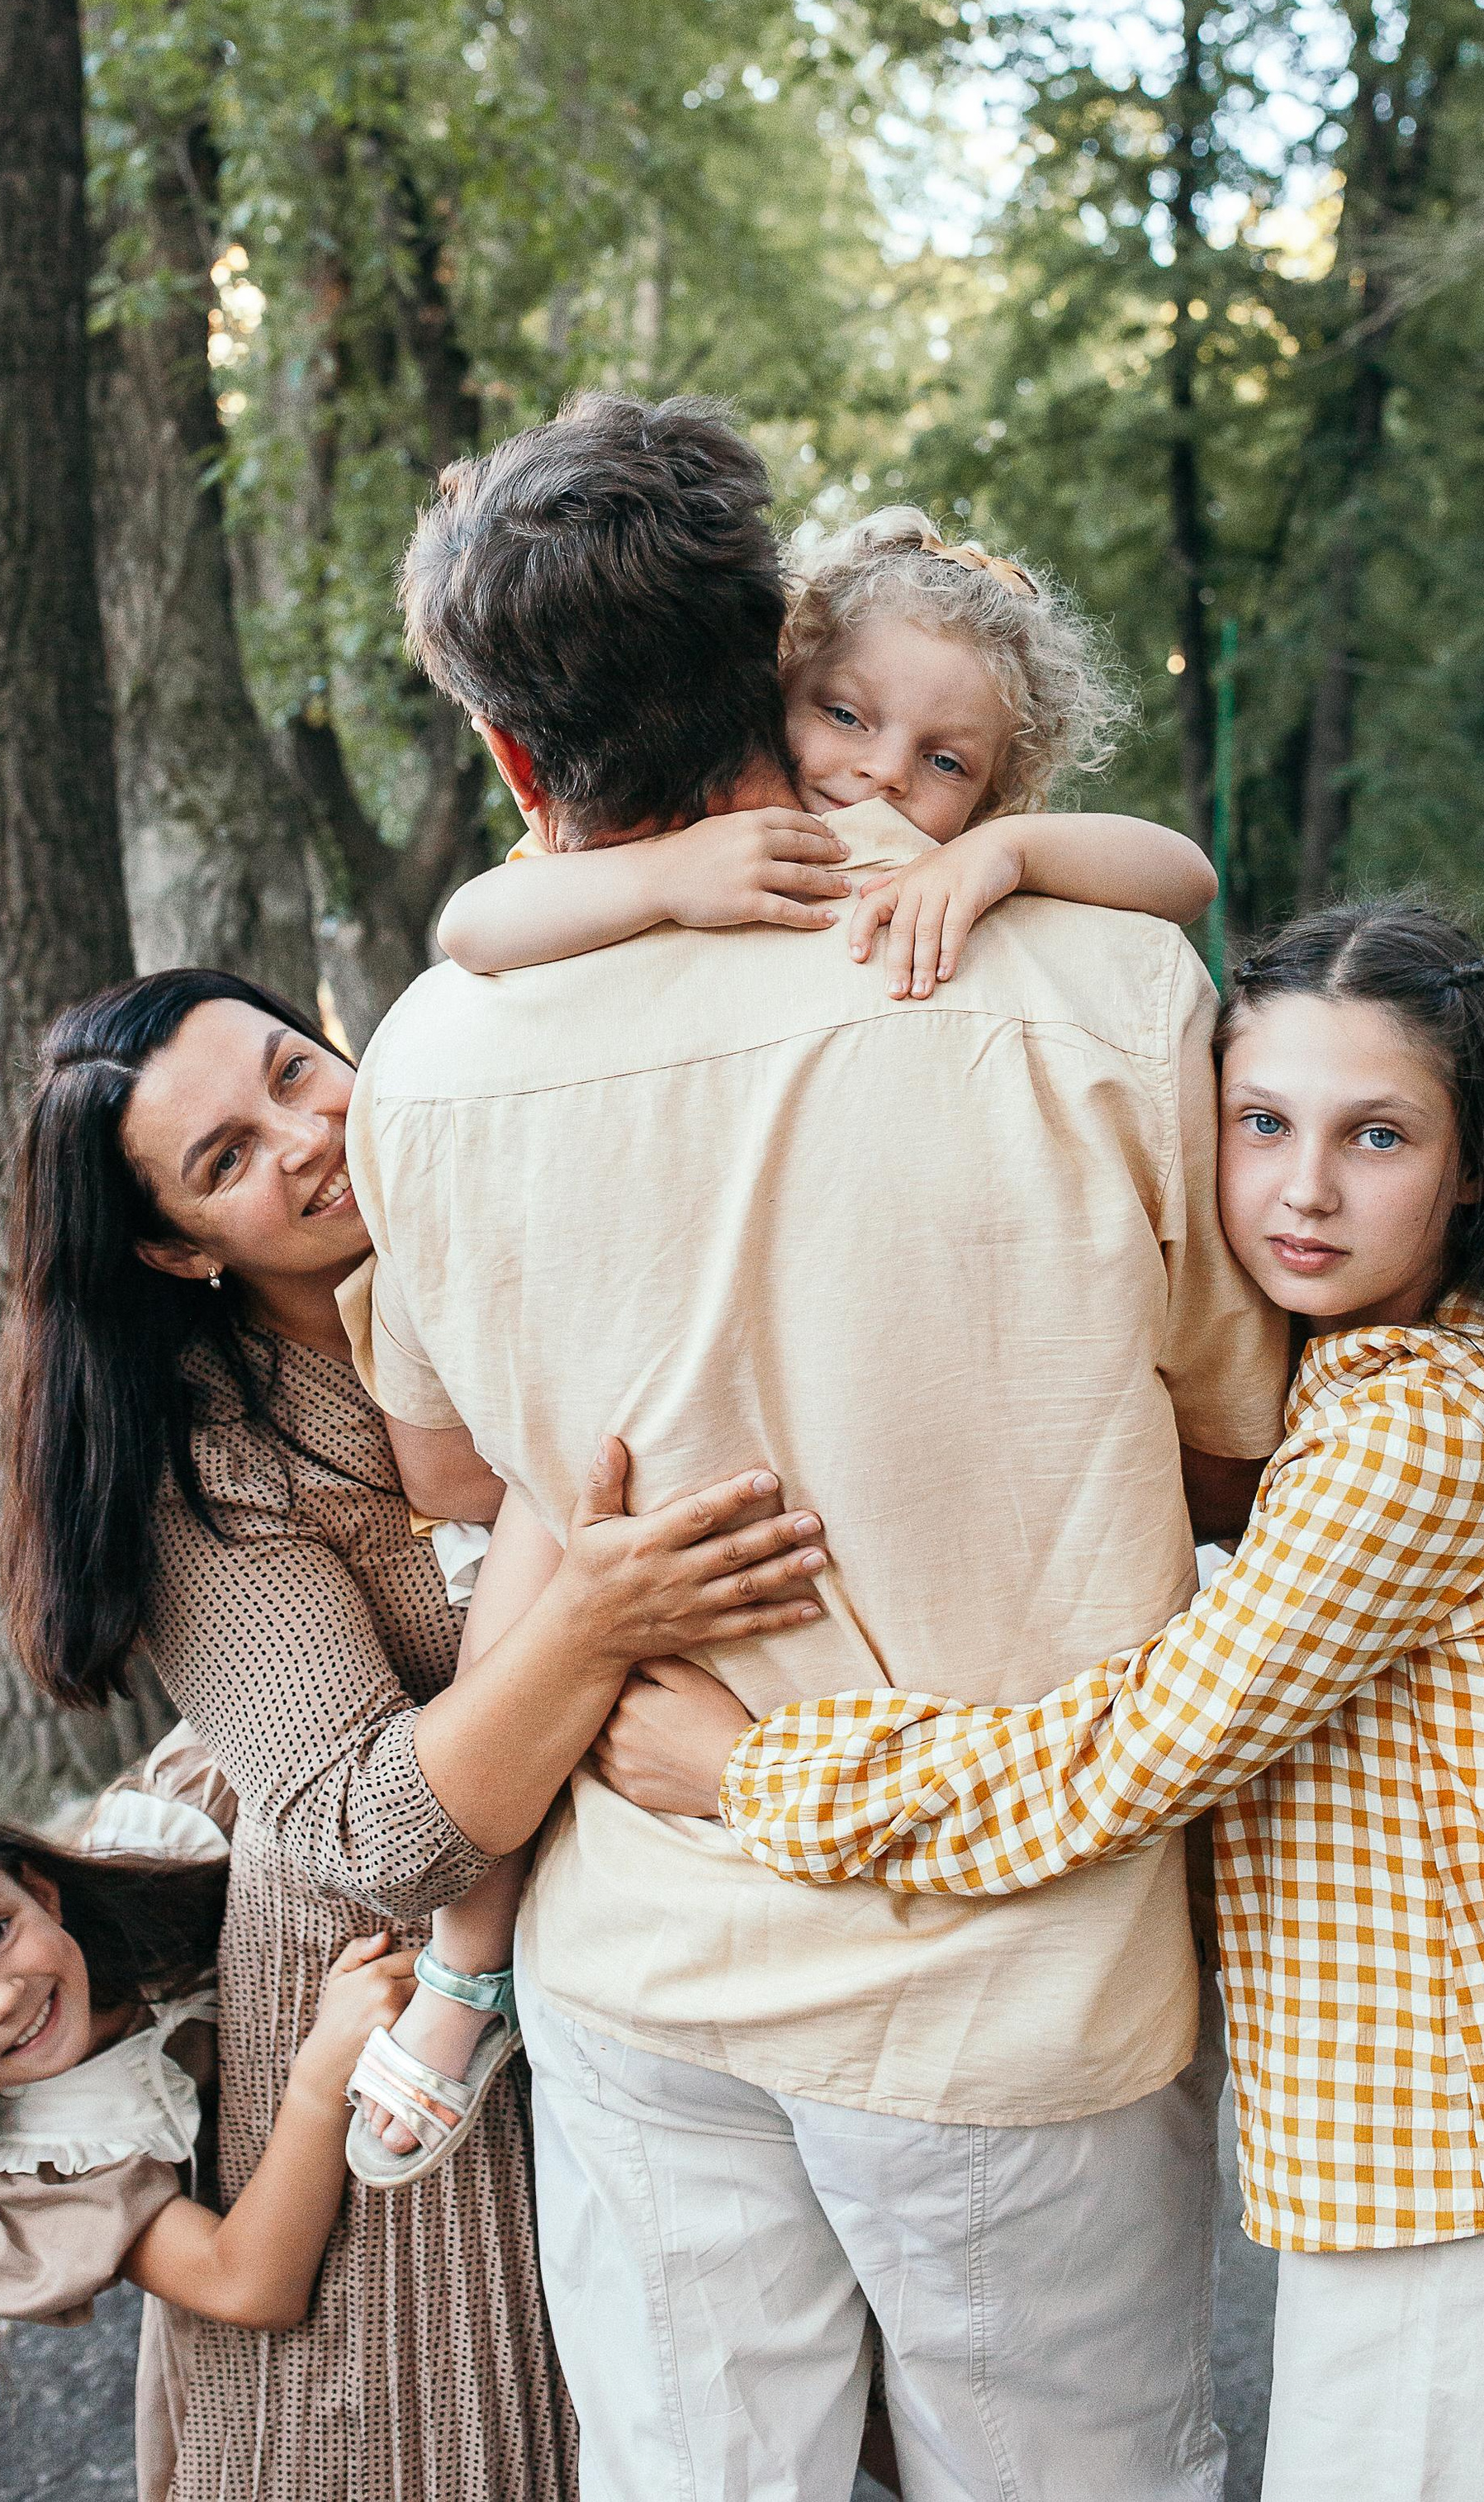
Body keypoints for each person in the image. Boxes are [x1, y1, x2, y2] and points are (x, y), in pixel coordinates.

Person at [343, 391, 1290, 2501]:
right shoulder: (1100, 982)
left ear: (512, 755)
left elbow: (444, 1469)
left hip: (642, 1966)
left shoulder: (424, 1056)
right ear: (773, 648)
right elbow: (1243, 1443)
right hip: (1009, 1985)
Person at [605, 899, 1484, 2502]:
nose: (1301, 1185)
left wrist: (753, 1770)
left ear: (1474, 1162)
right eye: (1260, 1120)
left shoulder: (1417, 1435)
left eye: (1376, 1133)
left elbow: (1125, 1755)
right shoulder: (1424, 1380)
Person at [0, 967, 829, 2502]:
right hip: (388, 2001)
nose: (309, 1136)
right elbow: (375, 1826)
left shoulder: (523, 1214)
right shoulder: (211, 1450)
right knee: (473, 2437)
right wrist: (593, 1614)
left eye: (296, 1072)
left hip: (680, 1914)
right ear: (181, 1247)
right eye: (227, 1157)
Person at [0, 1728, 415, 2502]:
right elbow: (249, 2284)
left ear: (40, 1891)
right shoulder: (39, 2162)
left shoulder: (161, 1845)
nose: (2, 1995)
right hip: (284, 2388)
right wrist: (316, 2078)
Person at [436, 503, 1216, 995]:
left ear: (991, 796)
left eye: (947, 762)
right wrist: (664, 875)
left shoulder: (955, 862)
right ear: (782, 684)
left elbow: (1187, 879)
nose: (886, 770)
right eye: (846, 714)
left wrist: (1011, 851)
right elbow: (471, 925)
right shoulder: (678, 835)